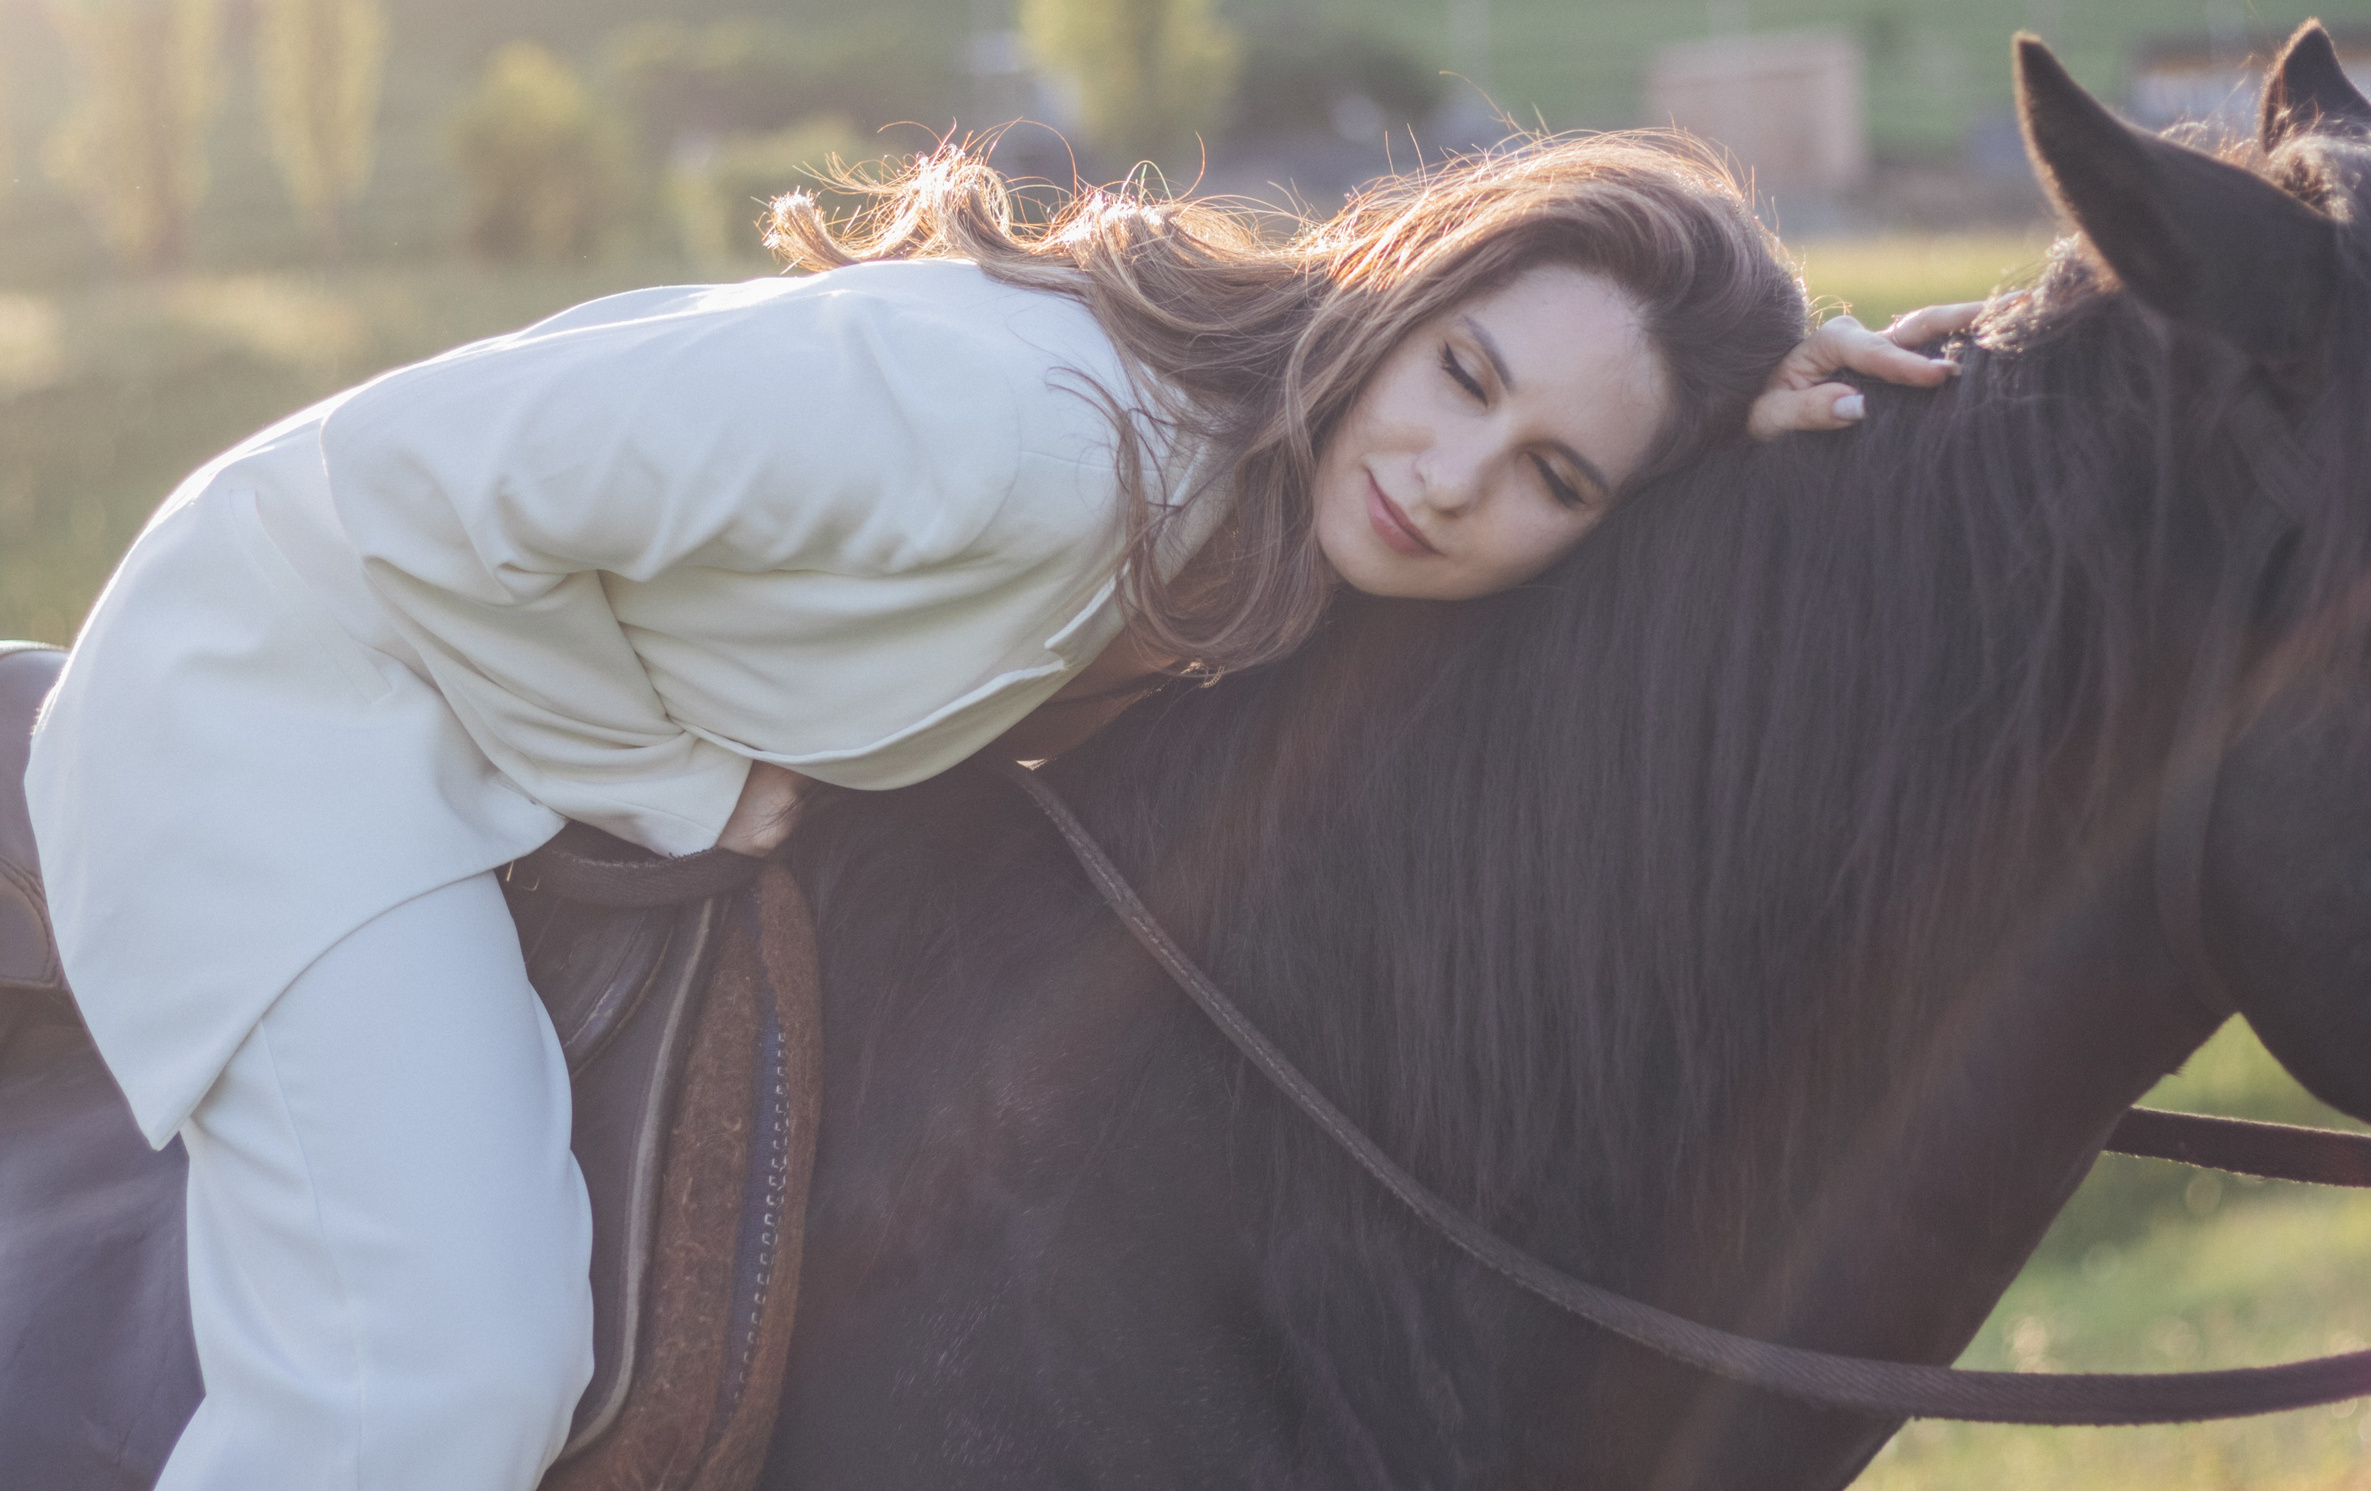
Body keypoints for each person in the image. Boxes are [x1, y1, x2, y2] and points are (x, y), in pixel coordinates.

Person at [25, 131, 1977, 1491]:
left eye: (1549, 474)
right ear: (1405, 285)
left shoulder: (1260, 518)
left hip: (489, 739)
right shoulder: (1027, 436)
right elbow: (410, 493)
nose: (1457, 475)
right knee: (436, 1376)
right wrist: (700, 788)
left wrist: (1729, 426)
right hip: (291, 691)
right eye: (1462, 370)